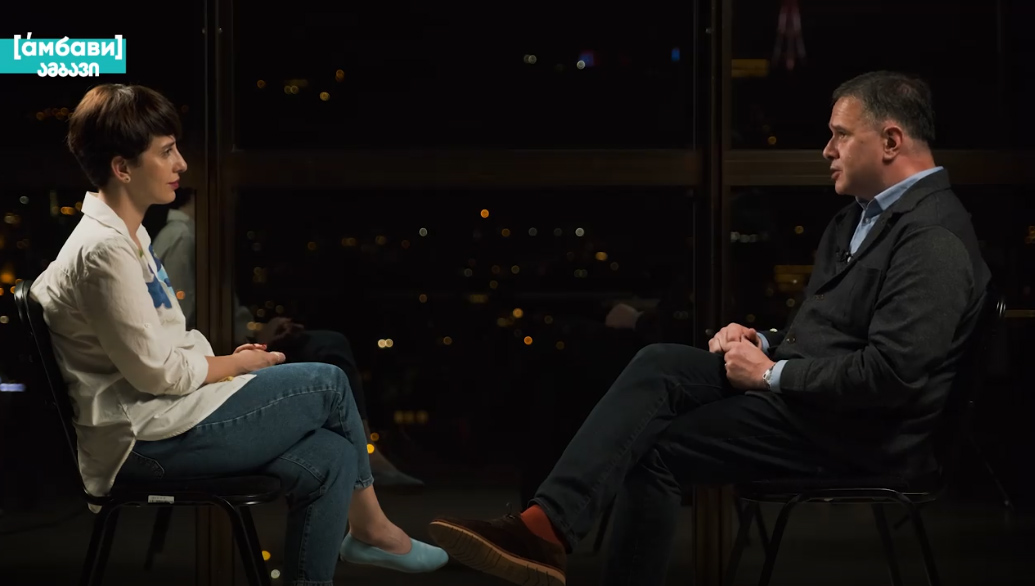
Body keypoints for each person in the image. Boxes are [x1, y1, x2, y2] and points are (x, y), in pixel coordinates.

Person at [427, 70, 992, 586]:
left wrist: (768, 374)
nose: (827, 150)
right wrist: (761, 341)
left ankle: (543, 530)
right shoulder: (858, 219)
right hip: (820, 410)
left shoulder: (932, 238)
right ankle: (543, 527)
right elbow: (833, 335)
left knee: (652, 447)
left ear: (891, 141)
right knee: (660, 363)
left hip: (865, 436)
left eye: (840, 135)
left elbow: (891, 376)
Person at [29, 84, 447, 586]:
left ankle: (361, 539)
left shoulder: (128, 235)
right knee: (329, 383)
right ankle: (375, 531)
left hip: (164, 419)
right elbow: (158, 372)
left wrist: (228, 362)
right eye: (166, 152)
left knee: (333, 457)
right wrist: (237, 364)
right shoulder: (104, 250)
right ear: (123, 168)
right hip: (143, 443)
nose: (181, 163)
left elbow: (162, 349)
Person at [150, 187, 424, 488]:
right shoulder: (182, 238)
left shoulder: (195, 238)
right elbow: (181, 319)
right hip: (210, 358)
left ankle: (361, 460)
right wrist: (244, 348)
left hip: (227, 347)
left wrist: (260, 331)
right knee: (329, 362)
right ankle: (364, 456)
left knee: (328, 346)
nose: (235, 200)